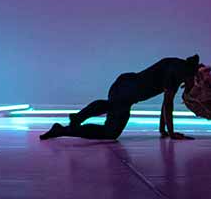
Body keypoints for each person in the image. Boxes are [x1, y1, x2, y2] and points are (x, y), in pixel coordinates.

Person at [40, 55, 201, 142]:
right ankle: (69, 124)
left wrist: (163, 130)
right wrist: (171, 133)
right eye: (195, 81)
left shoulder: (176, 64)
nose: (194, 85)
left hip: (125, 84)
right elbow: (168, 104)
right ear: (192, 74)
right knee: (110, 129)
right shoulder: (176, 73)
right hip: (127, 91)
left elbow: (166, 104)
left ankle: (69, 124)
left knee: (111, 117)